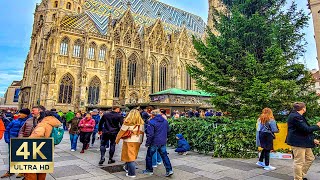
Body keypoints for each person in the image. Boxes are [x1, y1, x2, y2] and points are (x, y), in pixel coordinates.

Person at [285, 102, 320, 180]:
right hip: (298, 142)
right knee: (299, 162)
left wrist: (313, 139)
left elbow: (302, 130)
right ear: (303, 108)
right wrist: (317, 126)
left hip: (302, 141)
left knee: (310, 158)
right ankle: (298, 178)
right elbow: (306, 129)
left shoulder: (297, 115)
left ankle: (300, 174)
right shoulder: (296, 116)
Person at [24, 111, 62, 180]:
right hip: (47, 149)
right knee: (42, 170)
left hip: (37, 149)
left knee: (30, 170)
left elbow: (37, 135)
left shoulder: (43, 124)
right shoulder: (53, 123)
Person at [142, 109, 173, 177]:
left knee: (149, 156)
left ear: (153, 115)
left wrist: (147, 143)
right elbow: (168, 130)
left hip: (154, 142)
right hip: (163, 141)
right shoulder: (165, 121)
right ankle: (169, 170)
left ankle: (149, 170)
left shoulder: (151, 122)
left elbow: (150, 135)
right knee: (164, 156)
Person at [2, 108, 30, 178]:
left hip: (22, 142)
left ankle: (22, 171)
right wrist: (7, 139)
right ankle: (11, 171)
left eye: (21, 113)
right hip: (12, 141)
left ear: (26, 115)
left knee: (22, 156)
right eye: (19, 113)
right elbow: (7, 130)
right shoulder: (14, 121)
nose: (19, 114)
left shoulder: (28, 122)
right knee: (11, 156)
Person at [115, 109, 144, 178]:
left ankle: (132, 173)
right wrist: (141, 141)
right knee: (132, 156)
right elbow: (142, 133)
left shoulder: (127, 122)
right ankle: (127, 168)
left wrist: (117, 140)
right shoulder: (141, 123)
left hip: (129, 141)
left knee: (130, 158)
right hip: (137, 141)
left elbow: (121, 132)